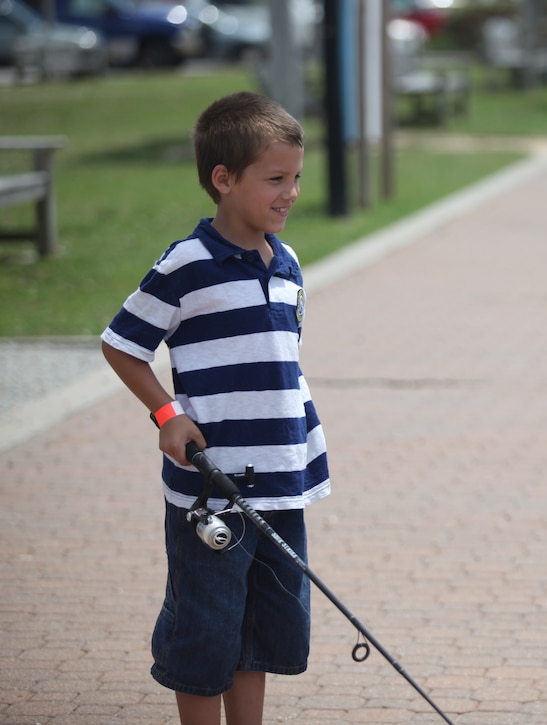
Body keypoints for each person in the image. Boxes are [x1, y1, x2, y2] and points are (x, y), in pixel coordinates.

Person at [101, 91, 330, 725]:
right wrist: (166, 415)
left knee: (259, 630)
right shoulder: (186, 266)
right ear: (223, 179)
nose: (290, 193)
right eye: (275, 179)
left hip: (280, 481)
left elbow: (281, 368)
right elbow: (122, 345)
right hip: (213, 490)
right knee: (206, 629)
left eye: (297, 178)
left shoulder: (285, 263)